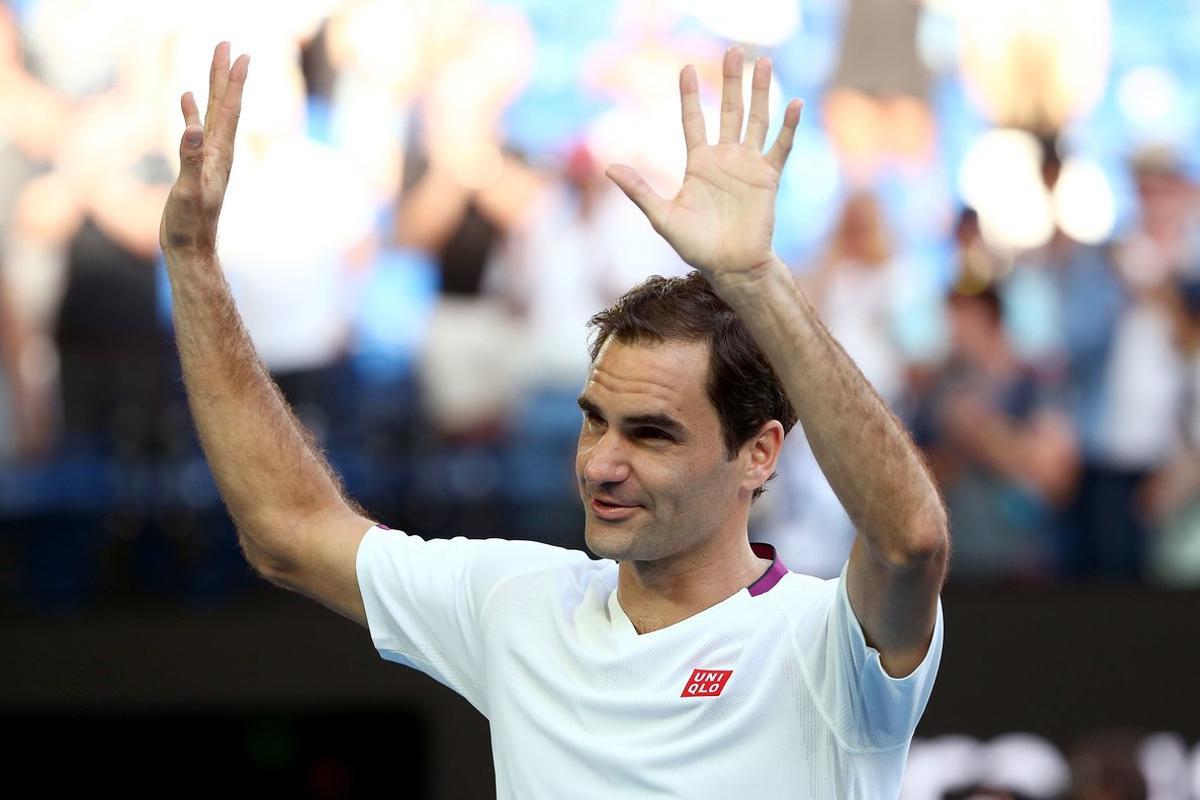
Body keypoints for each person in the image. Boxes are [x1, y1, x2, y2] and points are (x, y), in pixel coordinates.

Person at [161, 43, 948, 797]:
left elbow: (910, 540)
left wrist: (756, 280)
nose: (601, 463)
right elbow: (289, 530)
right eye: (596, 421)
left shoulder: (823, 642)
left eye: (651, 433)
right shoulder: (518, 602)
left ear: (759, 453)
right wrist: (193, 263)